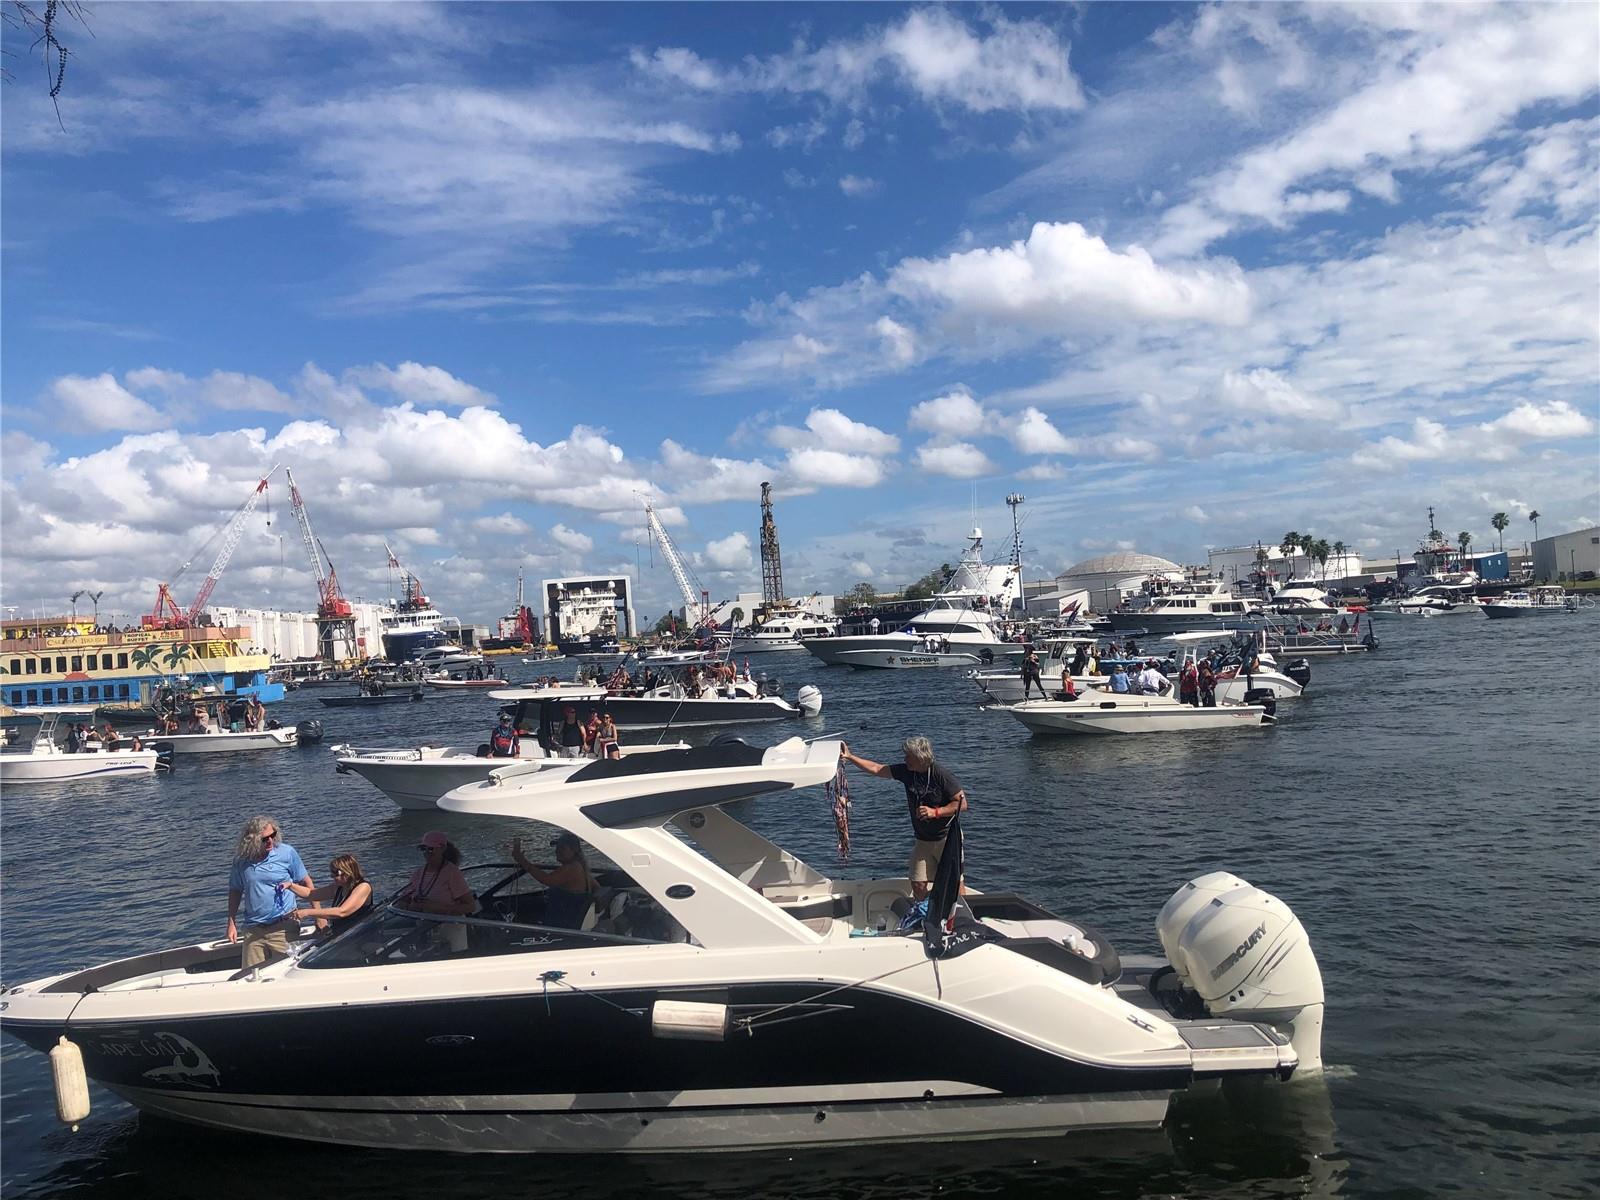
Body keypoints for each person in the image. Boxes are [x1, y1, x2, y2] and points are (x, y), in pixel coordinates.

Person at [839, 736, 967, 901]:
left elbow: (962, 804)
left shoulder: (941, 775)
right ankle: (925, 913)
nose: (904, 759)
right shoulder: (906, 771)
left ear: (920, 758)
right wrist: (850, 757)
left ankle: (963, 915)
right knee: (918, 883)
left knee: (955, 882)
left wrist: (935, 812)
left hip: (947, 839)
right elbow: (877, 768)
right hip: (923, 840)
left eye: (908, 756)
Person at [226, 816, 312, 968]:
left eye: (273, 836)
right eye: (265, 839)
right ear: (251, 840)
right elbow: (235, 890)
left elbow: (306, 883)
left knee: (288, 973)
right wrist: (231, 923)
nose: (271, 841)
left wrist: (318, 916)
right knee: (250, 977)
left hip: (284, 926)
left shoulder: (287, 853)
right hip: (253, 930)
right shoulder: (241, 861)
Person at [511, 833, 597, 929]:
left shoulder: (571, 868)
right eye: (557, 848)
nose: (557, 851)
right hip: (568, 917)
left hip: (562, 923)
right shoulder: (581, 867)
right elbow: (596, 886)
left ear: (574, 850)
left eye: (562, 848)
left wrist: (522, 860)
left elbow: (547, 880)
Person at [396, 832, 478, 918]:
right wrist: (410, 907)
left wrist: (439, 908)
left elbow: (471, 906)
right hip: (423, 928)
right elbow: (403, 900)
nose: (427, 852)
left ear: (442, 848)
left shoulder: (451, 873)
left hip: (449, 927)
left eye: (431, 849)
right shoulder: (418, 873)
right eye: (423, 848)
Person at [290, 853, 374, 935]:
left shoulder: (363, 887)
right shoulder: (338, 887)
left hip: (360, 934)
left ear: (347, 872)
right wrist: (290, 885)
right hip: (342, 933)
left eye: (335, 873)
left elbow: (342, 912)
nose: (331, 876)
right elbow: (311, 894)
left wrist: (307, 912)